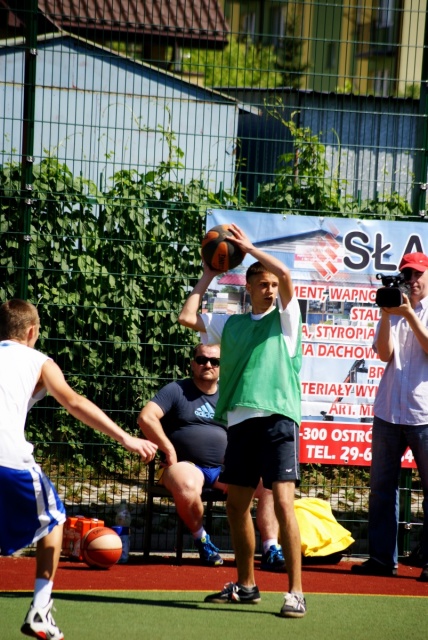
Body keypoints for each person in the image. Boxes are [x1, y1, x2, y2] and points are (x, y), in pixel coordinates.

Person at [0, 299, 158, 640]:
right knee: (54, 518)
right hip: (8, 458)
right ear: (32, 332)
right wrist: (126, 438)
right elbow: (74, 402)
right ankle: (40, 609)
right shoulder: (39, 360)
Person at [178, 223, 306, 618]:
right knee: (235, 506)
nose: (270, 289)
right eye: (262, 284)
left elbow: (285, 274)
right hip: (239, 423)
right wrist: (209, 274)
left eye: (273, 285)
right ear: (248, 287)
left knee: (283, 503)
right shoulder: (230, 324)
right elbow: (186, 316)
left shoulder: (286, 320)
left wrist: (249, 249)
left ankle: (296, 592)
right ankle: (247, 585)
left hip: (277, 419)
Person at [137, 342, 286, 571]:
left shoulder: (231, 394)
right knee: (187, 484)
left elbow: (249, 430)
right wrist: (168, 449)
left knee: (268, 482)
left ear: (222, 366)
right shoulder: (176, 390)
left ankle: (270, 548)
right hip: (185, 466)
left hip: (224, 470)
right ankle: (202, 540)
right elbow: (146, 417)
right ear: (192, 364)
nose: (208, 365)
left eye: (214, 361)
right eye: (202, 360)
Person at [351, 252, 428, 582]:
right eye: (407, 275)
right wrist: (386, 314)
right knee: (381, 489)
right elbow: (384, 354)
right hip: (388, 412)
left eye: (418, 274)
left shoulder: (412, 311)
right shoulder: (394, 309)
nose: (412, 281)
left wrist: (409, 314)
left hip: (424, 414)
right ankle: (382, 559)